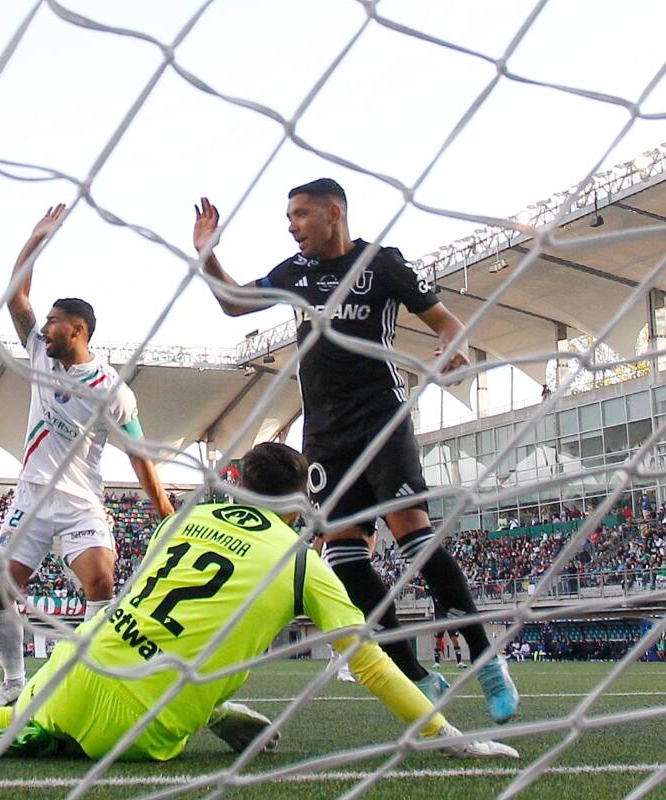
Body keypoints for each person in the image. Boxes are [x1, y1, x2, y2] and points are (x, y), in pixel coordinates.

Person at [0, 443, 518, 762]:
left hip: (81, 667)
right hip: (145, 726)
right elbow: (371, 667)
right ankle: (208, 706)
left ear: (236, 482)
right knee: (222, 637)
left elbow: (146, 594)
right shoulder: (304, 564)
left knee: (17, 717)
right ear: (302, 501)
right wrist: (449, 737)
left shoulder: (182, 520)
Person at [190, 179, 519, 723]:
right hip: (322, 432)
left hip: (379, 418)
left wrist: (453, 346)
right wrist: (206, 253)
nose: (290, 225)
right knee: (344, 559)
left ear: (333, 213)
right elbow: (232, 303)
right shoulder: (294, 275)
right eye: (289, 215)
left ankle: (485, 660)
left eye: (298, 214)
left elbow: (445, 321)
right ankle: (416, 676)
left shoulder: (381, 264)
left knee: (412, 533)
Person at [0, 204, 175, 708]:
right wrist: (36, 239)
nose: (43, 327)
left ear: (79, 331)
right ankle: (12, 683)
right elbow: (15, 295)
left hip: (80, 500)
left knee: (101, 579)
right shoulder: (41, 354)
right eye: (44, 321)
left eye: (54, 322)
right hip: (30, 496)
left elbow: (139, 458)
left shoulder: (112, 390)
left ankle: (92, 679)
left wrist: (167, 515)